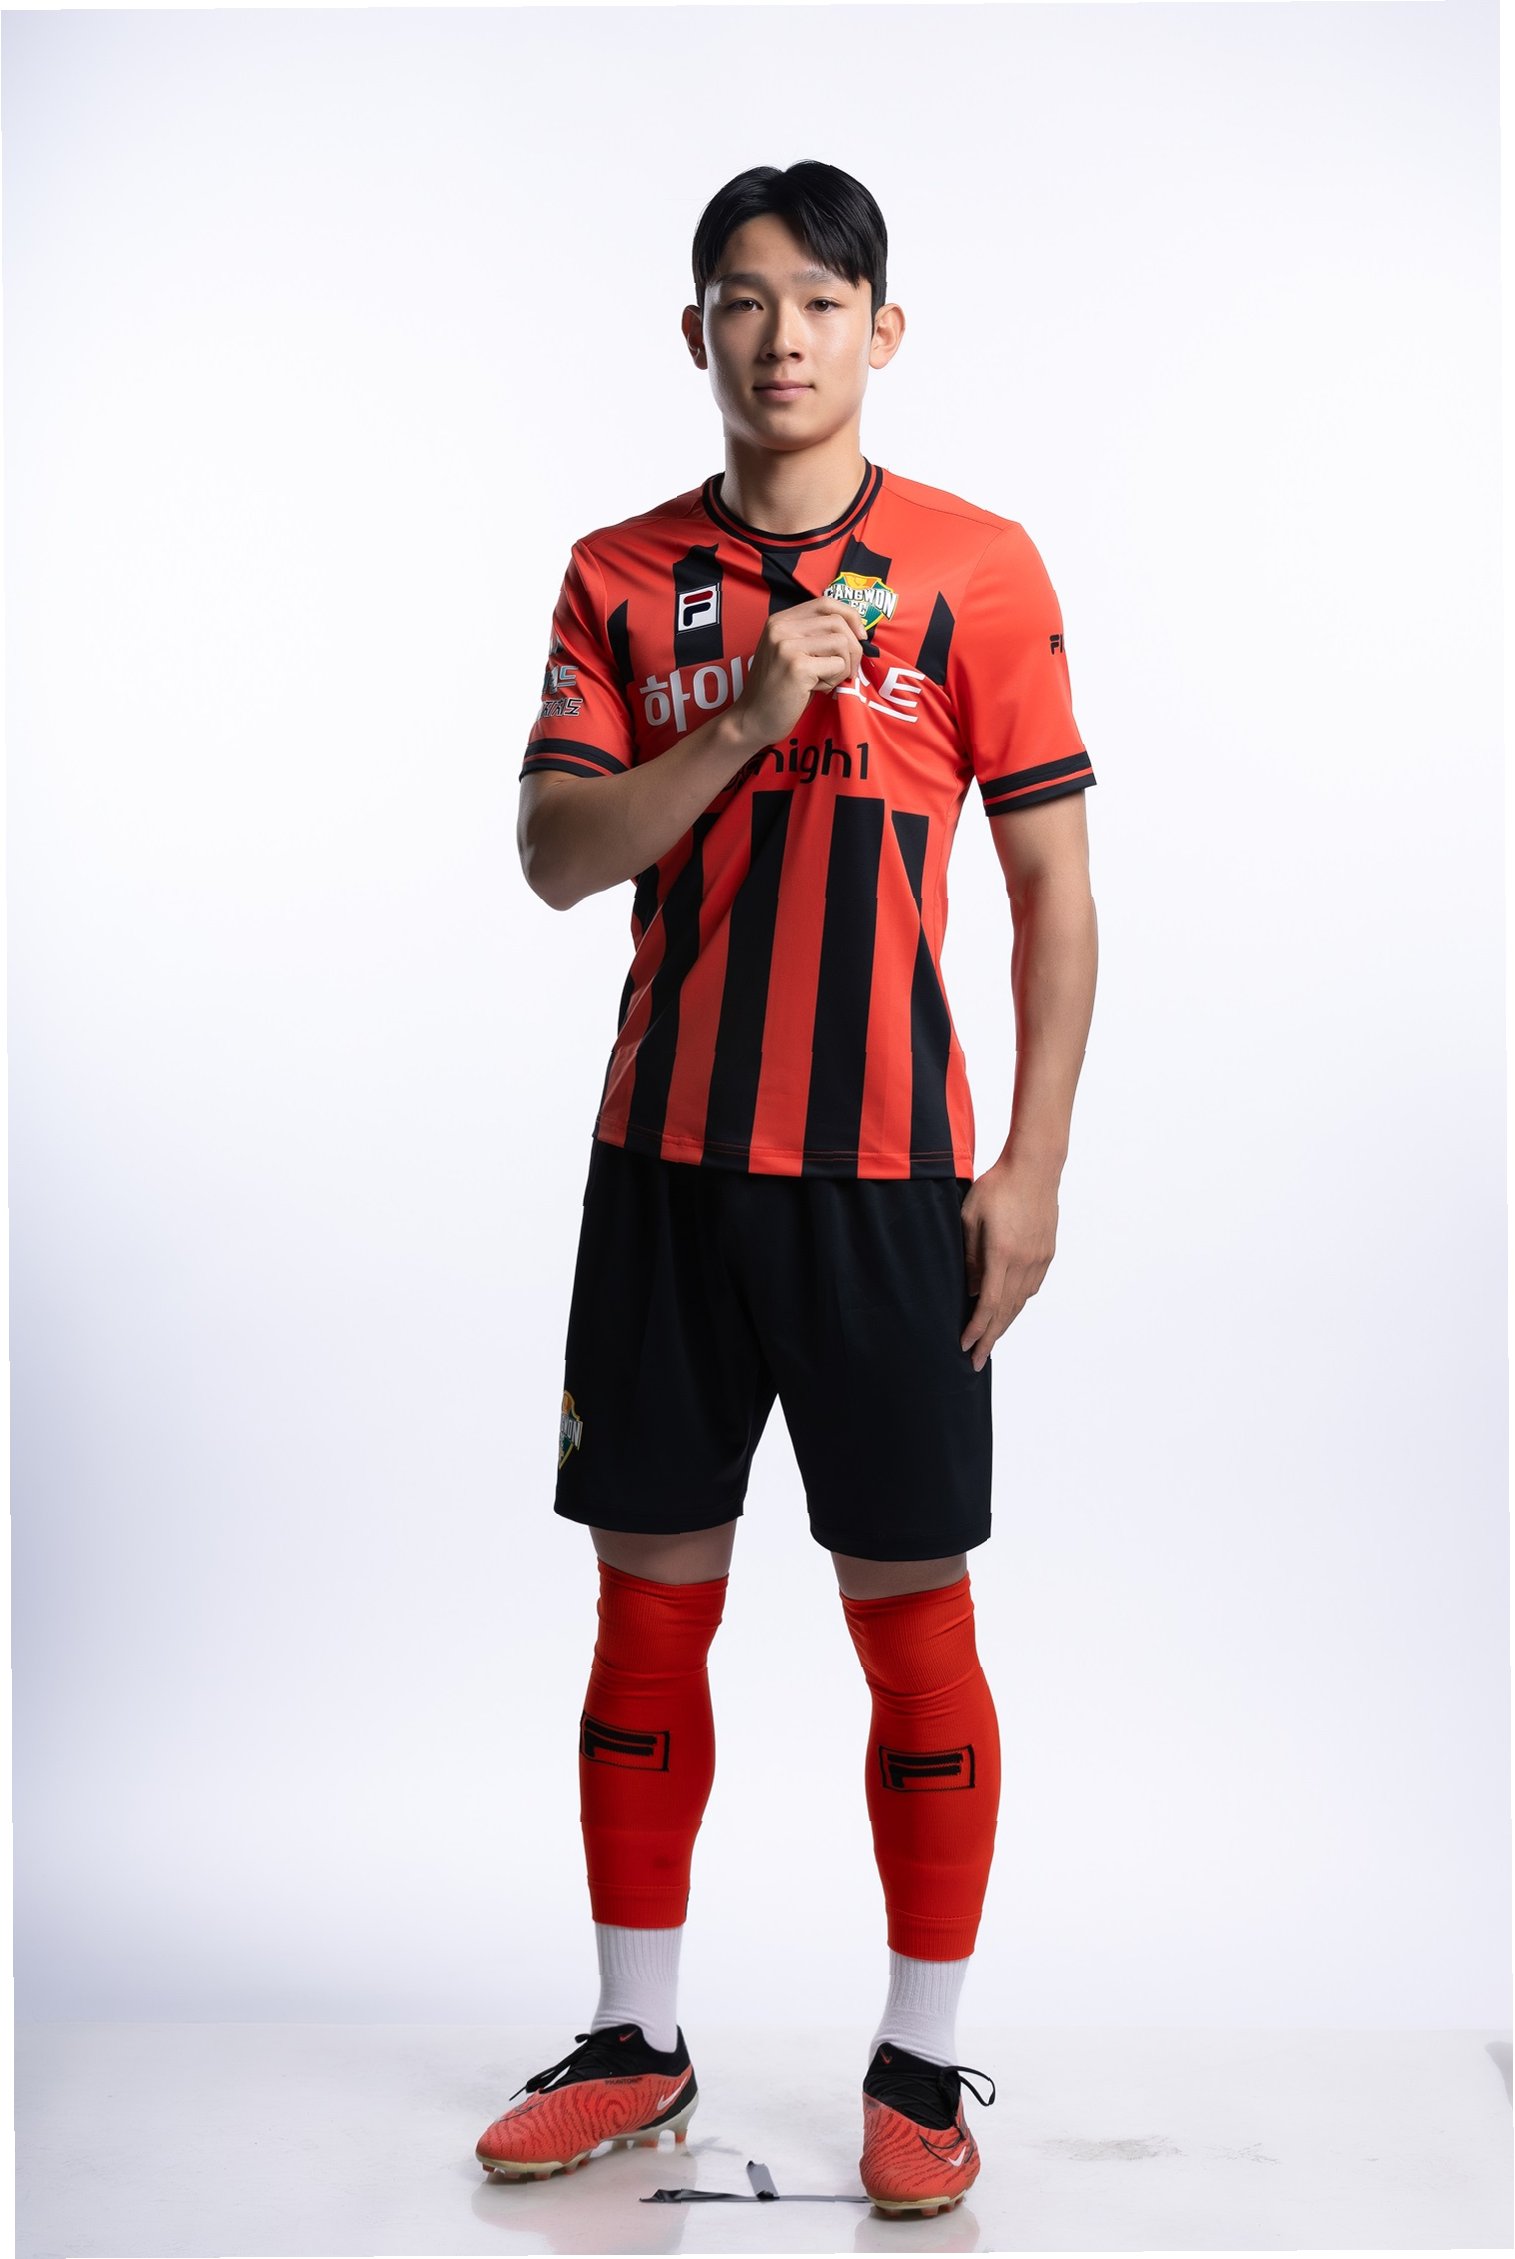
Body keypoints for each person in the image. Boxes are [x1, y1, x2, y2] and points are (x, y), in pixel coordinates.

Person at [476, 158, 1099, 2219]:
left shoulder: (976, 569)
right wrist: (748, 716)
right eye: (743, 300)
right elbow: (558, 858)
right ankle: (634, 2041)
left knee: (912, 1628)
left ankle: (917, 2066)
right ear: (696, 332)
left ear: (879, 332)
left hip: (889, 1188)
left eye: (821, 301)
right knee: (646, 1618)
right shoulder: (617, 574)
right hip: (664, 1174)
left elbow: (1052, 889)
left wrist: (1030, 1161)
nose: (781, 337)